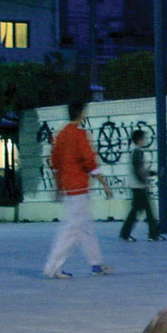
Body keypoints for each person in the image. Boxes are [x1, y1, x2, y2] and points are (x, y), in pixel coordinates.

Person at [43, 101, 113, 278]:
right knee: (72, 229)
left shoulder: (61, 135)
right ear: (82, 113)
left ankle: (96, 264)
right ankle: (52, 267)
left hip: (68, 187)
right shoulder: (79, 135)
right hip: (79, 187)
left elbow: (55, 163)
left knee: (85, 227)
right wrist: (104, 183)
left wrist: (58, 186)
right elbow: (89, 161)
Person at [119, 127, 159, 242]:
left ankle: (126, 233)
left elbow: (140, 169)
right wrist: (144, 181)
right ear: (139, 140)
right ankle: (152, 234)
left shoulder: (135, 152)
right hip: (139, 186)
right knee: (147, 210)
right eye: (144, 138)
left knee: (138, 210)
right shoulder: (138, 153)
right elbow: (138, 170)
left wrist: (150, 174)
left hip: (136, 185)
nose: (146, 140)